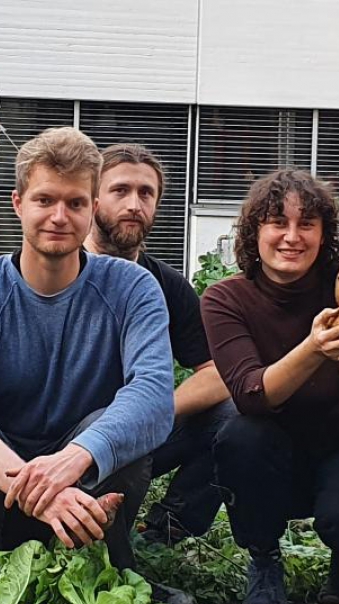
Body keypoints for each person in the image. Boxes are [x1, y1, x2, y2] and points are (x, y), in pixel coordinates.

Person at [0, 127, 175, 572]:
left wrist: (74, 459)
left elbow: (152, 394)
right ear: (18, 203)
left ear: (93, 208)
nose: (59, 216)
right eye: (44, 200)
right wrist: (37, 487)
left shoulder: (133, 288)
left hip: (83, 483)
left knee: (120, 437)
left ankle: (107, 572)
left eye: (75, 203)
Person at [202, 169, 339, 604]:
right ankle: (264, 559)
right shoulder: (225, 300)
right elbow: (251, 395)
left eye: (307, 224)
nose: (292, 237)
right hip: (271, 453)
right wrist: (314, 348)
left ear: (323, 235)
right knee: (241, 435)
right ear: (254, 233)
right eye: (278, 222)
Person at [84, 144, 231, 546]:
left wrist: (151, 411)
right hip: (64, 433)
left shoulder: (168, 285)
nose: (134, 204)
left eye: (146, 193)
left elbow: (218, 372)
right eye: (120, 190)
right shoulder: (63, 271)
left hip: (142, 431)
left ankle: (167, 529)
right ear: (92, 198)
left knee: (234, 417)